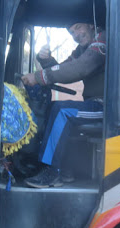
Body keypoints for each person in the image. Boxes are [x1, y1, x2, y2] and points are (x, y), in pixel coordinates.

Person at [21, 22, 105, 188]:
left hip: (107, 108)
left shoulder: (102, 40)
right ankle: (64, 169)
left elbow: (80, 68)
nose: (75, 35)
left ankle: (52, 172)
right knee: (53, 107)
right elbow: (66, 67)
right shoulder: (82, 49)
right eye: (72, 32)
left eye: (79, 27)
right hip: (92, 104)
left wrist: (39, 77)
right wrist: (47, 61)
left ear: (91, 25)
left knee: (62, 111)